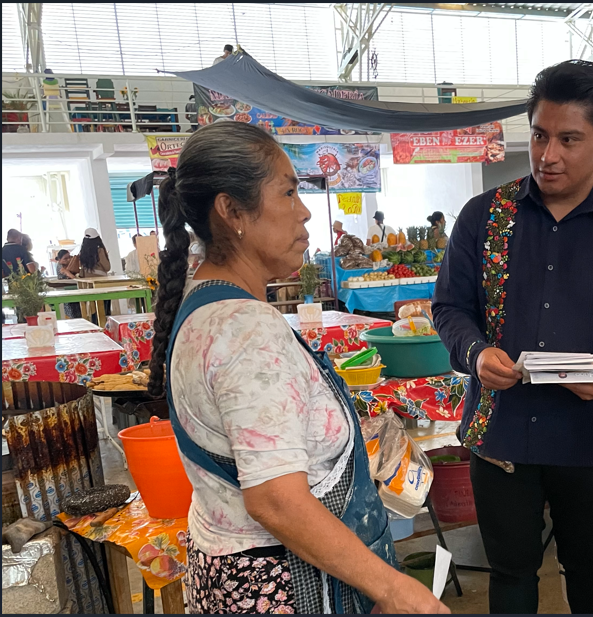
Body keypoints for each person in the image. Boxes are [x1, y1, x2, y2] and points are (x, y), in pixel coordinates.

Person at [146, 122, 447, 615]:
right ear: (231, 211)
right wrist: (394, 589)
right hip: (280, 587)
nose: (304, 211)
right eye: (288, 193)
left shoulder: (201, 306)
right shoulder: (247, 329)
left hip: (227, 574)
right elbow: (276, 501)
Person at [432, 59, 593, 615]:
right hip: (500, 433)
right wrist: (475, 354)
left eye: (569, 139)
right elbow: (450, 307)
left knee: (589, 566)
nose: (548, 155)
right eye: (540, 135)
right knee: (511, 572)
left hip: (588, 438)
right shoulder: (484, 218)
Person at [55, 249, 81, 319]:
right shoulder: (61, 267)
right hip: (66, 292)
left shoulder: (68, 265)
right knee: (73, 314)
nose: (68, 259)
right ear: (59, 259)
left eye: (69, 257)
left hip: (73, 291)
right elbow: (72, 276)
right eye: (65, 258)